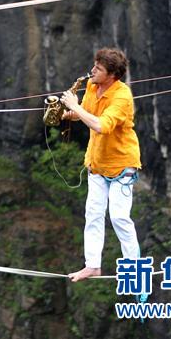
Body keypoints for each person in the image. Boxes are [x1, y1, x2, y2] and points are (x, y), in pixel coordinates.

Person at [61, 48, 142, 282]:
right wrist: (71, 114)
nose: (93, 70)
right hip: (97, 162)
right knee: (94, 214)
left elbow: (101, 126)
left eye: (99, 68)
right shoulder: (93, 87)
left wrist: (74, 107)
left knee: (118, 216)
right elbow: (86, 112)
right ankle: (92, 265)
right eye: (94, 65)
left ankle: (134, 268)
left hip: (122, 165)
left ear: (112, 74)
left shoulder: (122, 96)